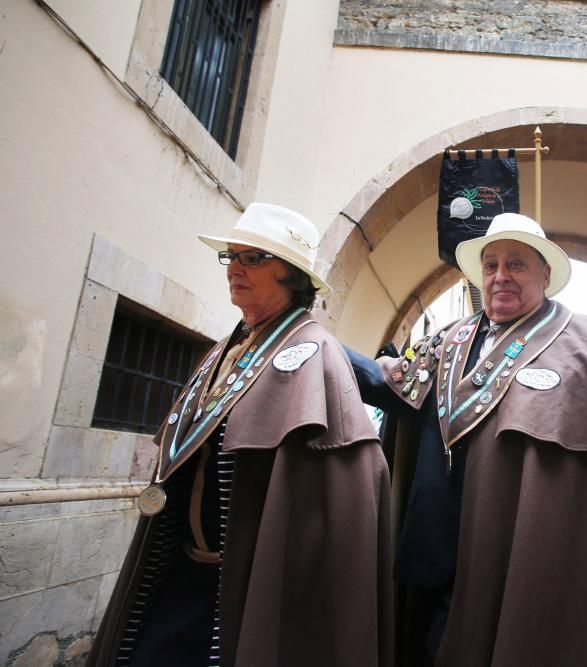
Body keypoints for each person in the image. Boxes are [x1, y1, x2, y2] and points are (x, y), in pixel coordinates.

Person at [348, 213, 587, 666]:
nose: (500, 276)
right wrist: (325, 348)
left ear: (545, 275)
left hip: (528, 558)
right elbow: (391, 384)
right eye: (490, 265)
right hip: (440, 552)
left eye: (516, 264)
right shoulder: (446, 341)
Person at [88, 203, 392, 666]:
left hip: (249, 588)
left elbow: (347, 487)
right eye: (231, 257)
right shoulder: (223, 350)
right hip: (182, 570)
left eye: (253, 259)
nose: (236, 269)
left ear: (291, 275)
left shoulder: (317, 354)